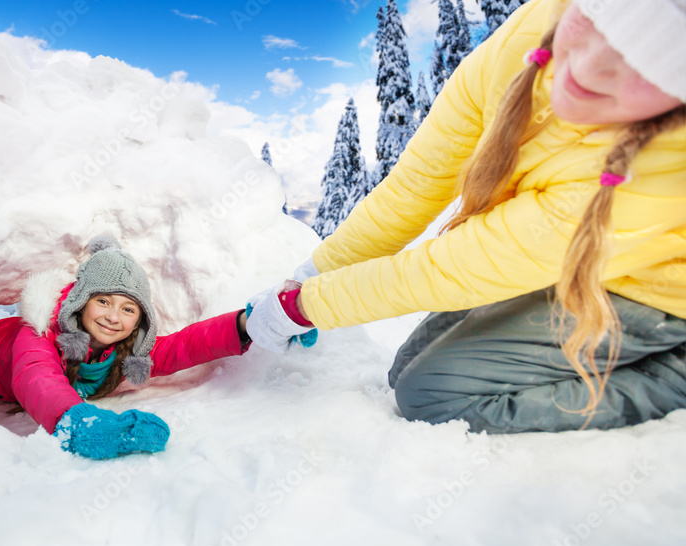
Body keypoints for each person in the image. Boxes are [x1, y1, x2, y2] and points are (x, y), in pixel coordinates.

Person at [246, 0, 686, 433]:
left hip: (651, 289)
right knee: (405, 367)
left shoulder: (664, 167)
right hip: (562, 262)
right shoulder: (524, 37)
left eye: (650, 65)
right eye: (593, 20)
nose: (589, 68)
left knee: (431, 393)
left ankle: (673, 377)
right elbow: (414, 187)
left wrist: (302, 307)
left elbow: (456, 267)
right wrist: (311, 275)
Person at [0, 236, 251, 458]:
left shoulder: (128, 351)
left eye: (128, 309)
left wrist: (245, 324)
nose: (112, 317)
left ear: (139, 321)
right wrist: (82, 424)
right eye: (103, 301)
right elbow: (37, 377)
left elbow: (183, 346)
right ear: (81, 302)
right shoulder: (39, 331)